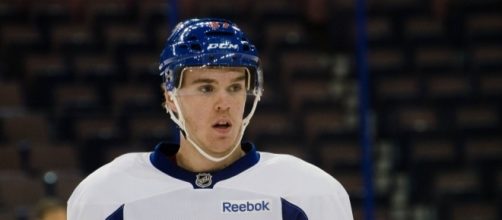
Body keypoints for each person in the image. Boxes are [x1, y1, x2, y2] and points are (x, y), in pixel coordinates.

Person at [67, 18, 353, 219]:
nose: (224, 103)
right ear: (170, 96)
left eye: (235, 87)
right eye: (206, 88)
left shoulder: (308, 192)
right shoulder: (107, 194)